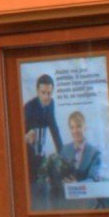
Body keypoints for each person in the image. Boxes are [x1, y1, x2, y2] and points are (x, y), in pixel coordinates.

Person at [22, 75, 63, 209]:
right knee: (33, 189)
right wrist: (24, 136)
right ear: (37, 91)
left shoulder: (51, 104)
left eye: (49, 93)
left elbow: (54, 127)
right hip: (27, 155)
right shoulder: (28, 108)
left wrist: (62, 152)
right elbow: (16, 133)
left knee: (46, 187)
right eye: (43, 93)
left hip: (42, 152)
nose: (46, 97)